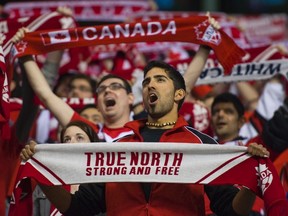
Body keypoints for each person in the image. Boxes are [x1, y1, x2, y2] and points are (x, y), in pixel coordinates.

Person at [21, 60, 270, 216]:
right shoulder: (117, 149)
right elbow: (77, 208)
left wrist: (251, 180)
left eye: (160, 80)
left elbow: (231, 209)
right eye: (147, 81)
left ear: (179, 94)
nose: (151, 85)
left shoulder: (202, 146)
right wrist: (39, 173)